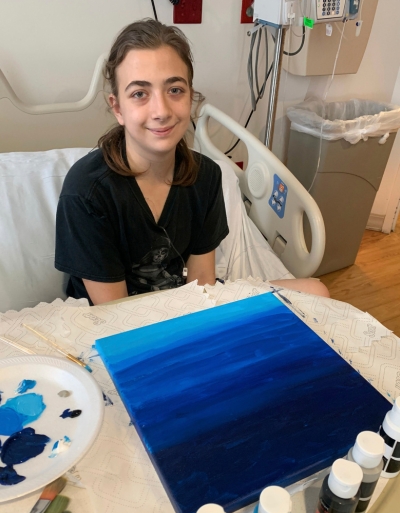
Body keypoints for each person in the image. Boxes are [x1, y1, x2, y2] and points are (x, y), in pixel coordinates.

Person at [55, 19, 329, 304]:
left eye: (174, 90)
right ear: (118, 108)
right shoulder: (87, 192)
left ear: (190, 97)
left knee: (316, 292)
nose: (161, 111)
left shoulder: (205, 176)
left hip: (184, 304)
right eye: (139, 94)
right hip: (118, 321)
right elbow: (116, 316)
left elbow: (201, 285)